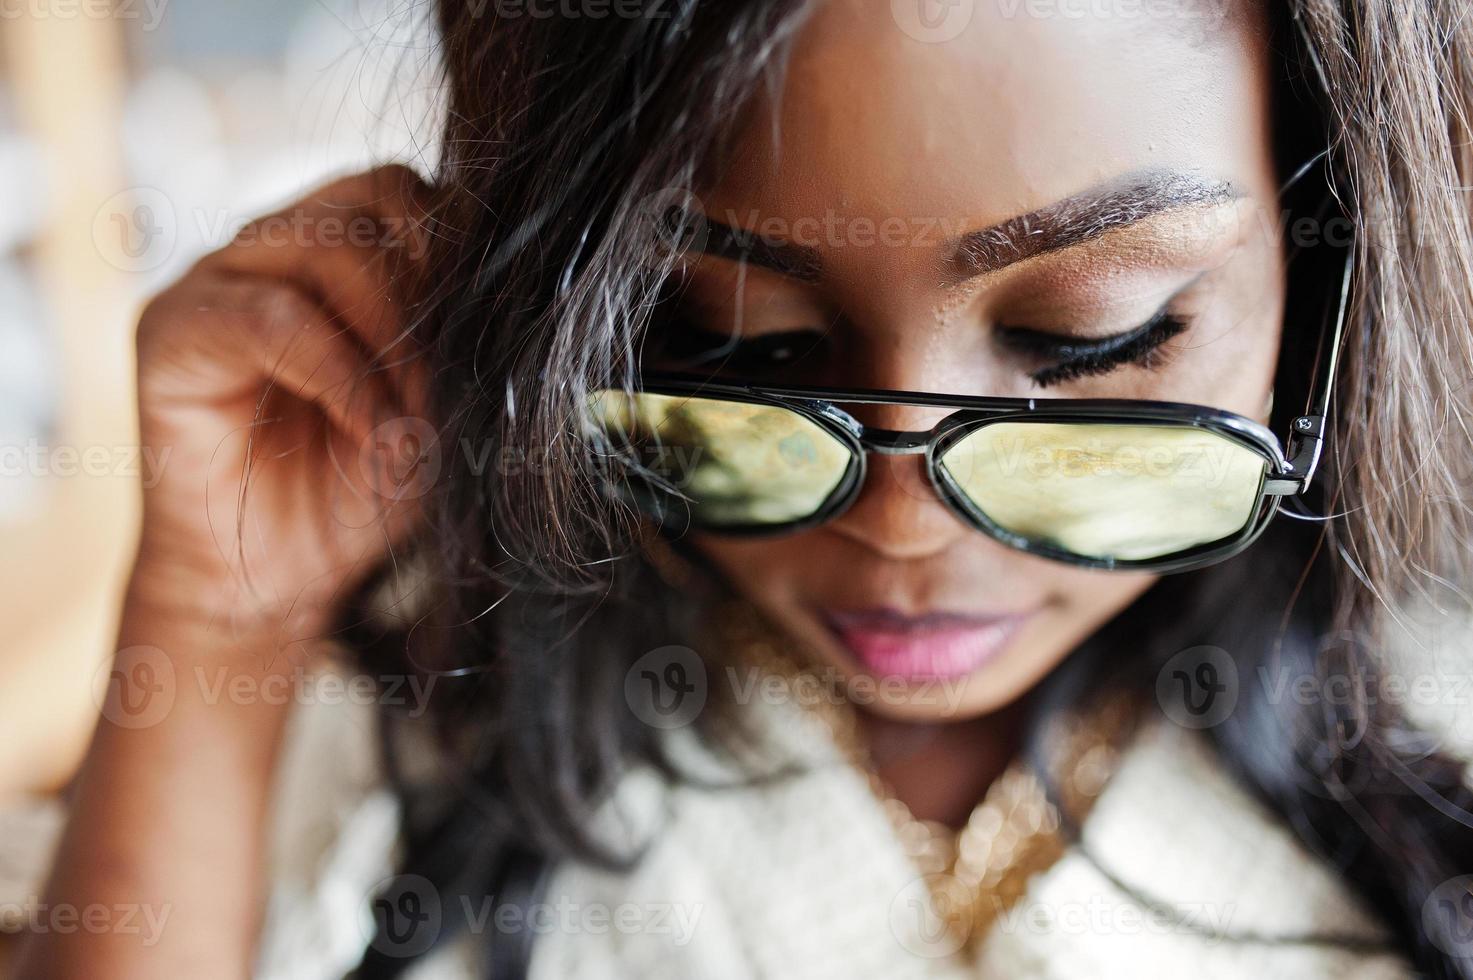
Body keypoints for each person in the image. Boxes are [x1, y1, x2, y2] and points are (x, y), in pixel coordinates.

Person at [19, 1, 1473, 977]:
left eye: (1091, 339)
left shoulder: (1442, 712)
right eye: (728, 343)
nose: (900, 528)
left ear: (1333, 253)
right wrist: (214, 632)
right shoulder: (391, 705)